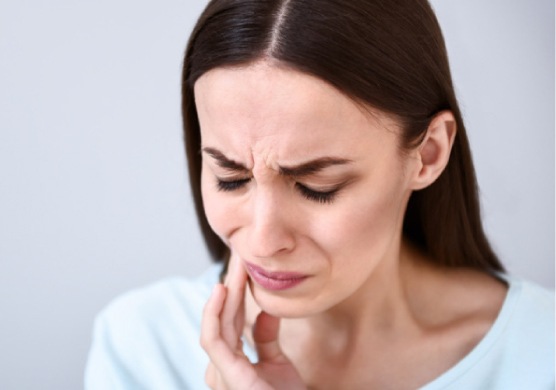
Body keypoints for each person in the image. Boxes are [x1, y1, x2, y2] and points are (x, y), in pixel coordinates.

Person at [85, 0, 554, 388]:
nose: (264, 242)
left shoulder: (540, 354)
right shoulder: (143, 348)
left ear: (427, 154)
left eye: (316, 188)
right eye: (230, 178)